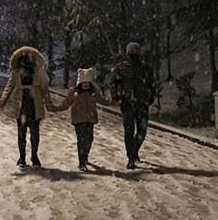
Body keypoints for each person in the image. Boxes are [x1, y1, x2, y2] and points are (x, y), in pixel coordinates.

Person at [50, 68, 119, 171]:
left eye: (87, 81)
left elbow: (102, 101)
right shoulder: (74, 91)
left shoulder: (93, 91)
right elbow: (66, 103)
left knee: (89, 139)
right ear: (80, 82)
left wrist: (114, 102)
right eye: (84, 82)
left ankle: (85, 155)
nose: (86, 84)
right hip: (78, 119)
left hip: (90, 119)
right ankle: (81, 162)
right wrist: (55, 108)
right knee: (81, 140)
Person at [0, 46, 54, 168]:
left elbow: (44, 88)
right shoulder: (16, 71)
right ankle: (22, 157)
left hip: (35, 104)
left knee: (35, 133)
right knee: (21, 132)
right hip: (21, 104)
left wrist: (48, 103)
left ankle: (34, 156)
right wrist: (4, 98)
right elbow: (10, 85)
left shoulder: (39, 71)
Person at [110, 42, 156, 170]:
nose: (134, 52)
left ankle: (134, 150)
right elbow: (113, 83)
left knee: (142, 130)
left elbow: (152, 83)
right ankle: (131, 158)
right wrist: (117, 97)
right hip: (127, 104)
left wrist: (151, 96)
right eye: (132, 50)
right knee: (129, 132)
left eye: (136, 50)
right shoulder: (121, 67)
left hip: (142, 103)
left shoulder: (145, 68)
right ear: (128, 52)